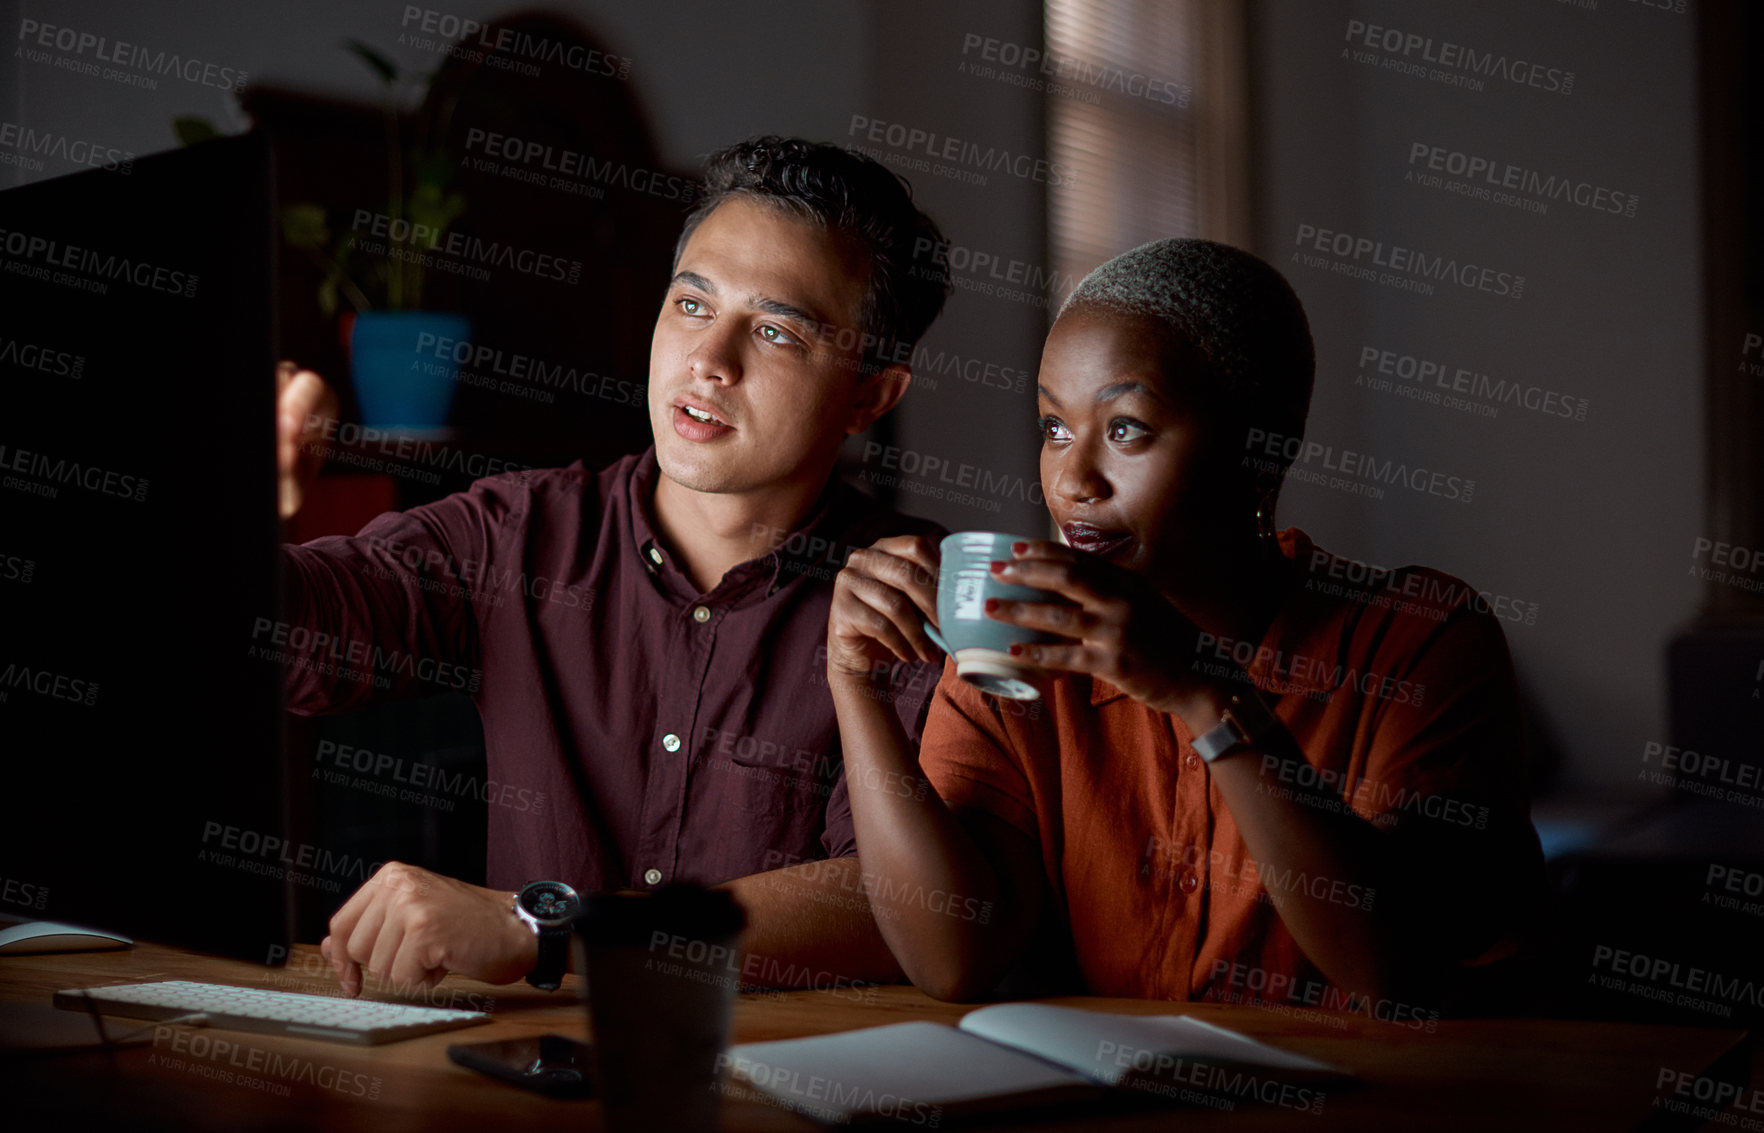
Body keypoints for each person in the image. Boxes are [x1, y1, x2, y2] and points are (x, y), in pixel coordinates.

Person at [273, 136, 950, 996]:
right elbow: (303, 638)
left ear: (871, 394)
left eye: (775, 330)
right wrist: (242, 506)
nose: (709, 360)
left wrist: (548, 931)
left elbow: (897, 908)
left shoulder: (912, 596)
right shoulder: (517, 533)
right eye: (693, 305)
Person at [827, 237, 1545, 1010]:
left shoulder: (1422, 640)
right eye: (1053, 427)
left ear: (1260, 449)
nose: (1073, 480)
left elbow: (1392, 961)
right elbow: (951, 956)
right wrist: (854, 684)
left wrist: (1207, 697)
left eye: (1127, 428)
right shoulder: (1020, 649)